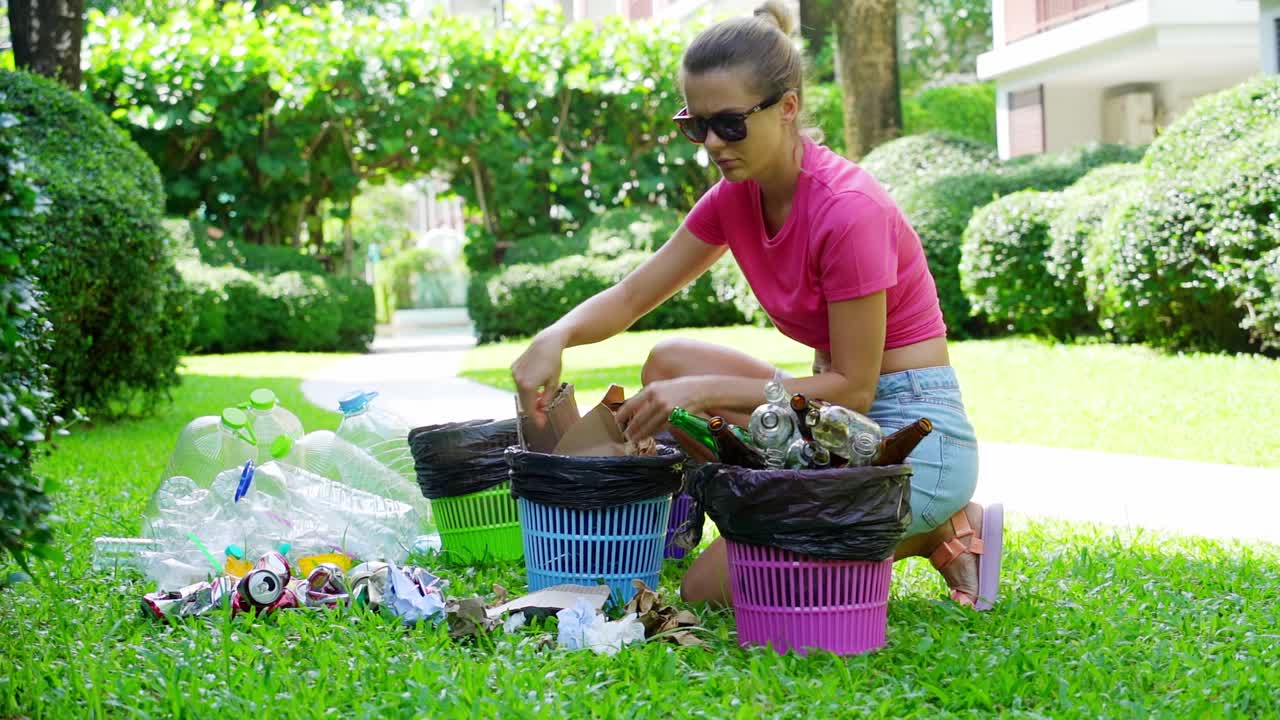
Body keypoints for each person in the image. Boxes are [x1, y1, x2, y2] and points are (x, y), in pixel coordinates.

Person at [510, 0, 1002, 610]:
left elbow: (852, 387)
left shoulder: (849, 210)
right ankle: (791, 508)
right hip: (833, 431)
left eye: (730, 124)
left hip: (911, 437)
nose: (712, 143)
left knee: (708, 589)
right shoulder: (733, 197)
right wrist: (554, 337)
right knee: (668, 364)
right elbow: (635, 294)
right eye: (697, 126)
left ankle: (938, 525)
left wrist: (705, 394)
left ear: (787, 107)